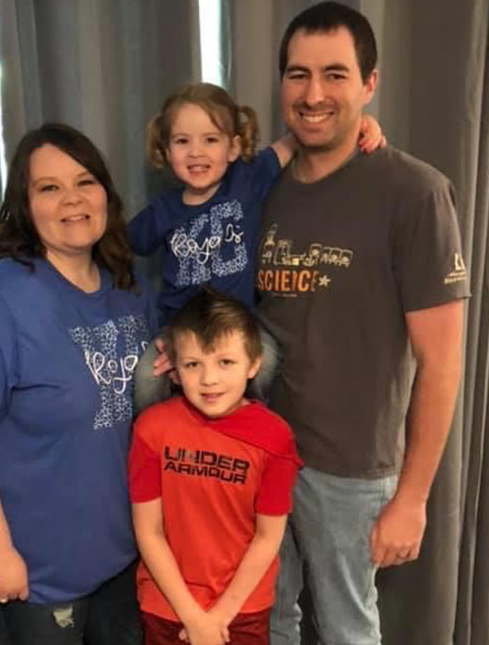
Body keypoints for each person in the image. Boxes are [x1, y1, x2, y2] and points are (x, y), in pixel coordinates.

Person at [256, 2, 470, 645]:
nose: (314, 94)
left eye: (335, 75)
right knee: (271, 620)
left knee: (349, 638)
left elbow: (442, 362)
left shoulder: (414, 193)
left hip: (349, 469)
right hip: (259, 451)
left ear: (369, 83)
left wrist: (412, 498)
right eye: (298, 75)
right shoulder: (257, 188)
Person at [0, 123, 157, 645]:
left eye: (85, 181)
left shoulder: (128, 290)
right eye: (48, 188)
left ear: (106, 195)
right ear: (25, 206)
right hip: (39, 570)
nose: (71, 199)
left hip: (123, 554)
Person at [129, 83, 385, 412]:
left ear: (233, 148)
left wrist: (359, 124)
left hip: (239, 326)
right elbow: (120, 247)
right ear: (165, 151)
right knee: (148, 380)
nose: (196, 152)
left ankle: (249, 429)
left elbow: (299, 137)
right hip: (182, 330)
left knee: (266, 364)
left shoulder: (246, 179)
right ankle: (165, 441)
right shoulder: (162, 211)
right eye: (182, 141)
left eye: (210, 140)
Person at [128, 288, 302, 645]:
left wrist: (221, 615)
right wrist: (192, 615)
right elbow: (149, 531)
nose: (209, 379)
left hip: (241, 610)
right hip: (168, 608)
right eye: (193, 365)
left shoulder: (274, 437)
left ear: (254, 364)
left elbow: (268, 536)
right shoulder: (151, 429)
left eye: (225, 362)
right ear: (174, 368)